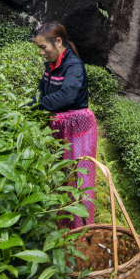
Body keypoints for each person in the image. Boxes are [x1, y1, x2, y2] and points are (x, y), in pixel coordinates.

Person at [34, 21, 97, 229]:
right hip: (60, 128)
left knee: (78, 179)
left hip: (79, 129)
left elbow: (67, 96)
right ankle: (62, 229)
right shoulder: (50, 67)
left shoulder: (74, 66)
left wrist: (35, 105)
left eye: (44, 47)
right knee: (61, 179)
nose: (41, 52)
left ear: (58, 42)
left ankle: (81, 231)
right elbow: (41, 93)